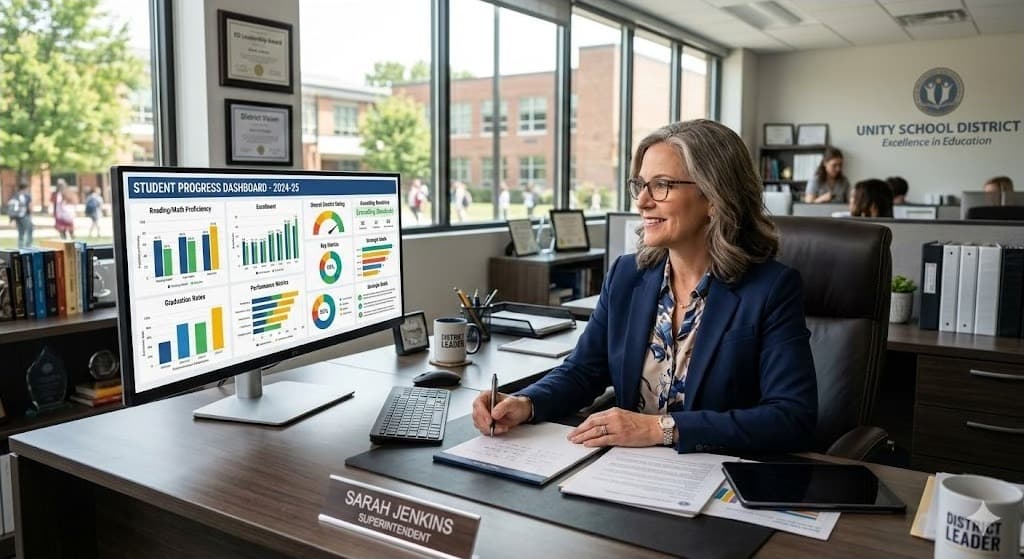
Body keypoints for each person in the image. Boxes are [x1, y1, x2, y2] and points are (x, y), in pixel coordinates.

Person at [472, 119, 818, 454]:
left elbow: (791, 417)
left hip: (716, 474)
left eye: (662, 185)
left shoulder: (770, 289)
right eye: (641, 185)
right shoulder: (628, 275)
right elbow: (584, 371)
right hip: (626, 470)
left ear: (714, 197)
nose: (642, 201)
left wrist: (659, 429)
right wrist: (525, 403)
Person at [7, 180, 33, 248]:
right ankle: (28, 246)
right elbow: (29, 207)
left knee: (21, 232)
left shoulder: (15, 195)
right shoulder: (26, 195)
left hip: (17, 216)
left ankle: (20, 247)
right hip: (25, 215)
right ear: (26, 187)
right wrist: (31, 215)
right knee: (29, 229)